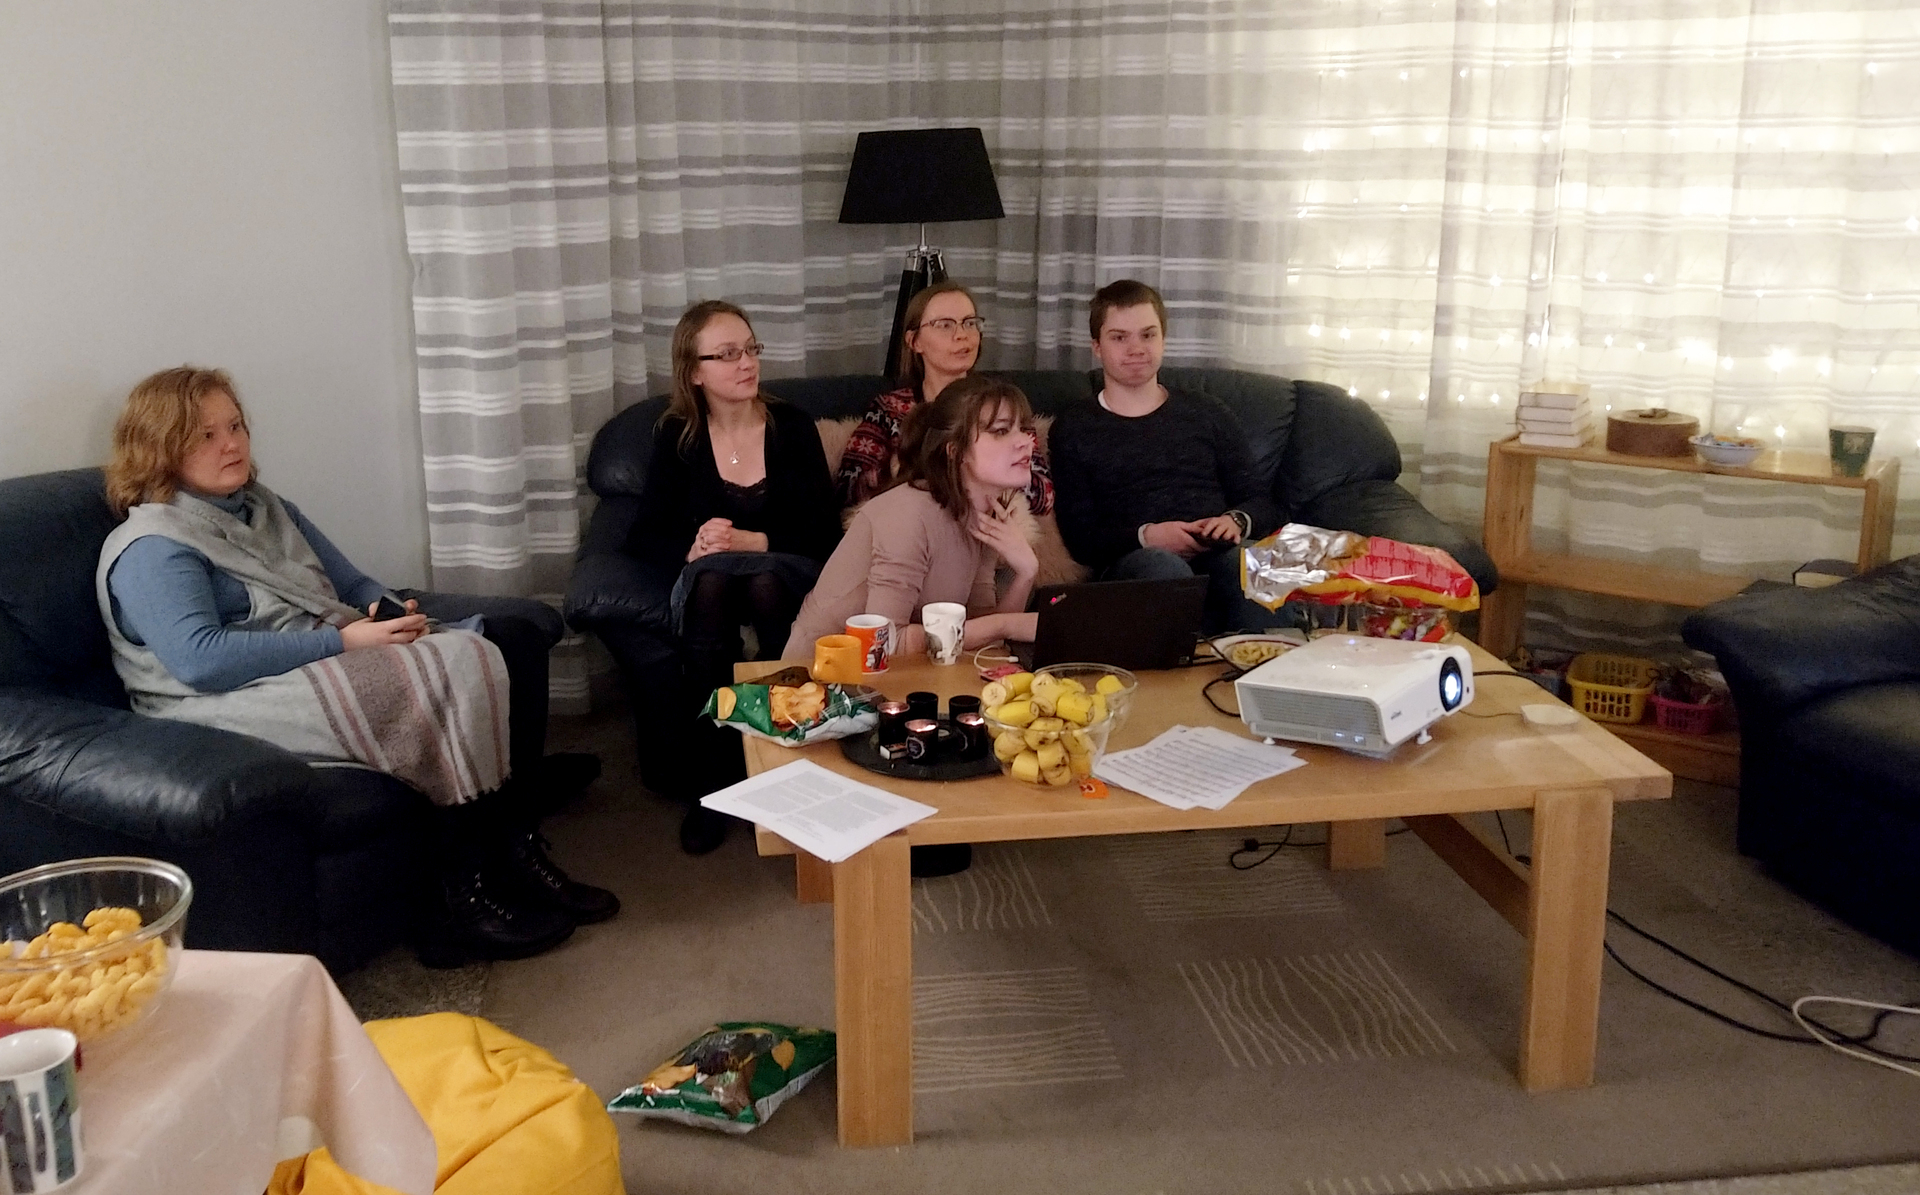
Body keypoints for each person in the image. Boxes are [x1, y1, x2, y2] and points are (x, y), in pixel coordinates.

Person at [98, 366, 617, 967]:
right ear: (161, 449)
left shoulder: (265, 508)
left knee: (490, 646)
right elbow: (200, 660)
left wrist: (387, 610)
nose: (232, 444)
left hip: (304, 655)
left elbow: (349, 583)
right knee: (447, 665)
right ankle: (456, 909)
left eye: (235, 426)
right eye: (206, 436)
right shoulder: (155, 545)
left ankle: (512, 853)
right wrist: (345, 642)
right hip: (220, 697)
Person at [627, 300, 842, 854]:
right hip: (710, 575)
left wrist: (758, 541)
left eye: (750, 349)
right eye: (726, 354)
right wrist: (692, 545)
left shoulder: (792, 426)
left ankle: (778, 766)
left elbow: (824, 530)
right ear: (694, 371)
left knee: (764, 584)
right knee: (712, 584)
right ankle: (714, 781)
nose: (746, 363)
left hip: (786, 566)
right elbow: (644, 534)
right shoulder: (677, 435)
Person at [1047, 279, 1282, 633]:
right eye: (1119, 337)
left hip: (1218, 552)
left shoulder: (1207, 411)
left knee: (1251, 564)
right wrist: (1148, 536)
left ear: (1163, 340)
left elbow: (1263, 502)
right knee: (1163, 567)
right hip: (1134, 563)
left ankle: (1275, 663)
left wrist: (1234, 521)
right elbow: (1081, 538)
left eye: (1148, 335)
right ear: (1097, 347)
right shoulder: (1074, 427)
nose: (1136, 349)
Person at [784, 373, 1040, 665]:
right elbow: (885, 639)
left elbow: (980, 633)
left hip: (913, 673)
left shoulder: (982, 514)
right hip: (823, 675)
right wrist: (1005, 625)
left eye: (1024, 429)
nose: (1025, 442)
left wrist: (1026, 572)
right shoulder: (909, 513)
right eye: (1001, 431)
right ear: (955, 451)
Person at [834, 280, 1054, 515]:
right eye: (945, 325)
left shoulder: (1002, 404)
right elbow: (847, 491)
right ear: (914, 341)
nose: (962, 335)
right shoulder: (889, 409)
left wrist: (988, 470)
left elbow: (1043, 496)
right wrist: (900, 472)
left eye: (970, 323)